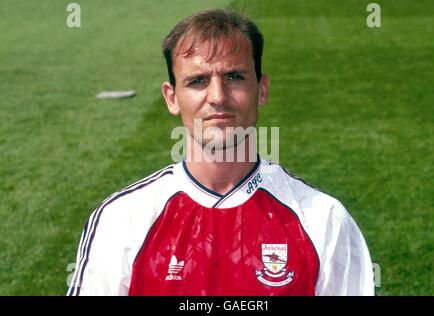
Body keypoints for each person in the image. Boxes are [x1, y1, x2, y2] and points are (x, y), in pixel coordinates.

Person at [67, 9, 374, 296]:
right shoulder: (122, 221)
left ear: (262, 88)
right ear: (172, 98)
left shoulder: (323, 220)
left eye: (234, 77)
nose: (218, 97)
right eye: (198, 81)